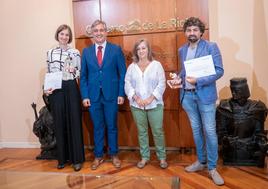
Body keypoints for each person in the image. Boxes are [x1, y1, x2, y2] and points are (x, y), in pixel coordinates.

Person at [169, 17, 224, 185]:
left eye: (195, 30)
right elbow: (186, 72)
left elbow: (219, 71)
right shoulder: (182, 50)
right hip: (188, 96)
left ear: (201, 32)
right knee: (196, 131)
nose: (191, 33)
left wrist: (198, 81)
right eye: (189, 30)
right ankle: (201, 161)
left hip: (205, 96)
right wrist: (177, 79)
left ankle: (212, 167)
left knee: (209, 132)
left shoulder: (211, 46)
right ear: (185, 32)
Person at [80, 20, 126, 170]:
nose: (99, 33)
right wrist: (85, 96)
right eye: (96, 31)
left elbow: (122, 74)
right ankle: (98, 155)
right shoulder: (86, 52)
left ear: (106, 32)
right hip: (93, 97)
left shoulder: (116, 49)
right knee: (98, 126)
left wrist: (121, 93)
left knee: (112, 126)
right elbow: (84, 76)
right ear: (92, 34)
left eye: (101, 30)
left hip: (111, 95)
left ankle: (114, 154)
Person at [44, 24, 85, 171]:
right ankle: (62, 158)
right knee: (60, 122)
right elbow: (49, 73)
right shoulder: (50, 53)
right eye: (62, 34)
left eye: (67, 35)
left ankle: (77, 159)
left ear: (69, 37)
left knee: (74, 121)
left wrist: (74, 70)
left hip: (71, 87)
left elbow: (80, 73)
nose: (64, 37)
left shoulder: (75, 52)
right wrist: (46, 88)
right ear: (58, 35)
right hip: (56, 89)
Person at [125, 39, 168, 169]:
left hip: (155, 104)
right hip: (137, 105)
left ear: (148, 49)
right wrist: (136, 98)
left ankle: (162, 157)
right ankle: (144, 157)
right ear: (135, 52)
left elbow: (162, 83)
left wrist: (151, 98)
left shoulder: (156, 65)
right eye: (138, 49)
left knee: (158, 131)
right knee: (142, 132)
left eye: (143, 48)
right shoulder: (132, 67)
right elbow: (127, 83)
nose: (141, 51)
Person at [216, 77, 268, 167]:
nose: (234, 94)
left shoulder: (257, 108)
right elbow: (220, 133)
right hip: (232, 148)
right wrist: (226, 140)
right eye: (233, 91)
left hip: (250, 147)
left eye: (238, 91)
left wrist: (262, 143)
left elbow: (259, 133)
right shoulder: (224, 108)